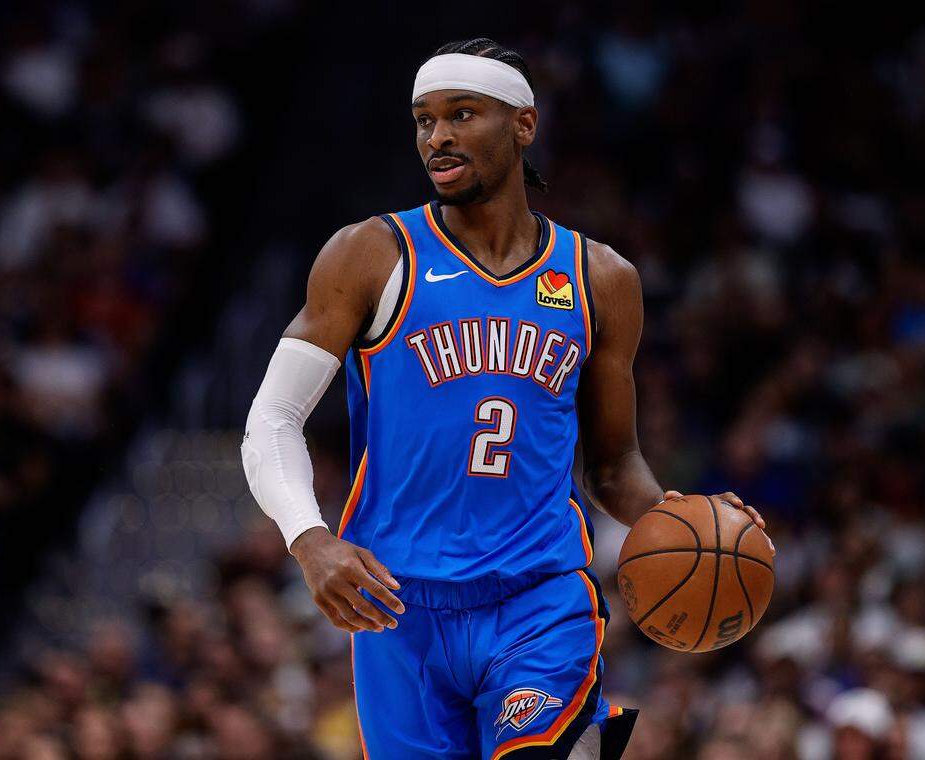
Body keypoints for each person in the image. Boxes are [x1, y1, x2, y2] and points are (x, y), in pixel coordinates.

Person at [241, 37, 770, 760]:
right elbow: (272, 420)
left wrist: (686, 517)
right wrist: (309, 540)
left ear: (523, 125)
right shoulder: (371, 253)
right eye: (424, 120)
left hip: (539, 598)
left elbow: (612, 464)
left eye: (463, 114)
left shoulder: (600, 279)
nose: (439, 136)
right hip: (398, 611)